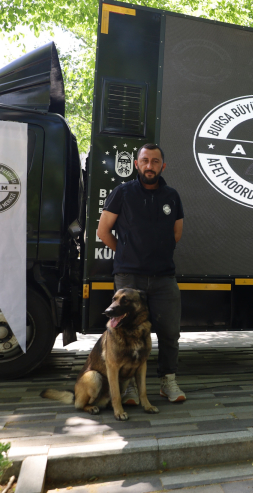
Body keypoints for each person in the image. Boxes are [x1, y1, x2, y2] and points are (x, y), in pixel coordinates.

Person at [96, 143, 186, 402]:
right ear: (137, 164)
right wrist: (127, 253)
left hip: (164, 277)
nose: (150, 166)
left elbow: (176, 233)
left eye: (155, 161)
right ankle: (129, 387)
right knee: (123, 332)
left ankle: (168, 381)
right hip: (129, 277)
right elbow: (103, 231)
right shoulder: (122, 192)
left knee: (169, 332)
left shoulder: (172, 196)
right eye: (145, 160)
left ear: (163, 166)